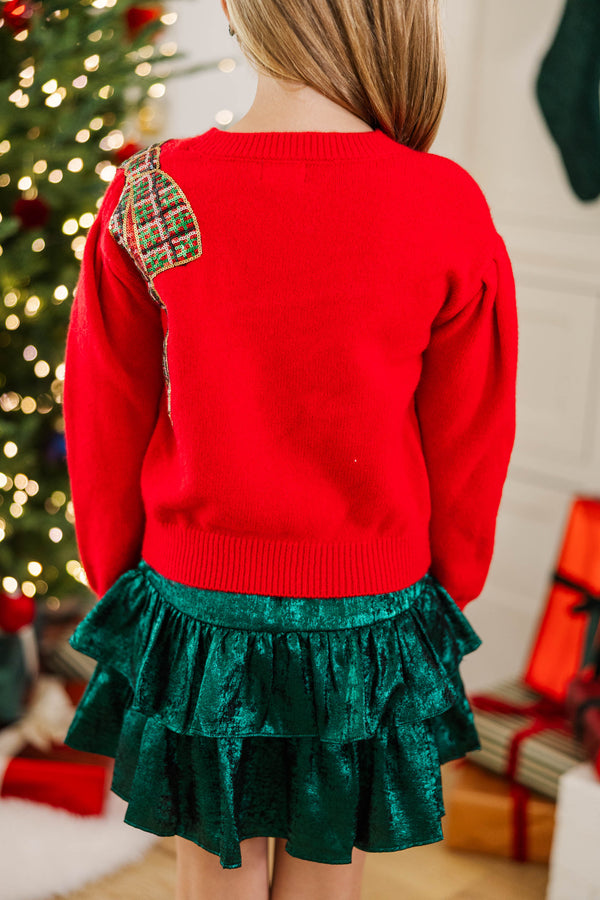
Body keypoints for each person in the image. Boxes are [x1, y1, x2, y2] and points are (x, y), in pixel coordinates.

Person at [61, 1, 519, 899]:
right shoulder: (446, 203)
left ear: (239, 13)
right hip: (365, 610)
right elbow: (471, 436)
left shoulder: (150, 190)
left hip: (195, 610)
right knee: (325, 863)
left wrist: (117, 574)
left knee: (212, 870)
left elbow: (104, 415)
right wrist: (449, 581)